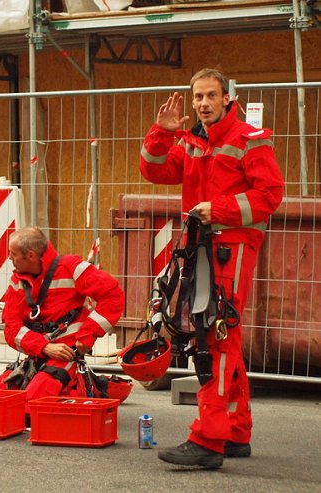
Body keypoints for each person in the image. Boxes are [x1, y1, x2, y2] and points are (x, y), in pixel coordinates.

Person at [140, 68, 284, 468]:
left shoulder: (249, 140)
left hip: (230, 248)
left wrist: (216, 211)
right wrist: (162, 132)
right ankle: (235, 431)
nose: (203, 103)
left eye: (210, 96)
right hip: (204, 247)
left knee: (213, 337)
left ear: (227, 99)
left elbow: (270, 195)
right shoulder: (192, 142)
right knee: (223, 336)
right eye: (197, 97)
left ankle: (209, 439)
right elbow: (153, 169)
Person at [0, 227, 124, 411]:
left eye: (13, 254)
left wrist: (87, 335)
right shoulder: (17, 280)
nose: (10, 259)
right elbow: (11, 328)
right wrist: (43, 347)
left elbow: (113, 296)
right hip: (38, 354)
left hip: (66, 355)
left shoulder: (71, 267)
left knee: (29, 406)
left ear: (31, 256)